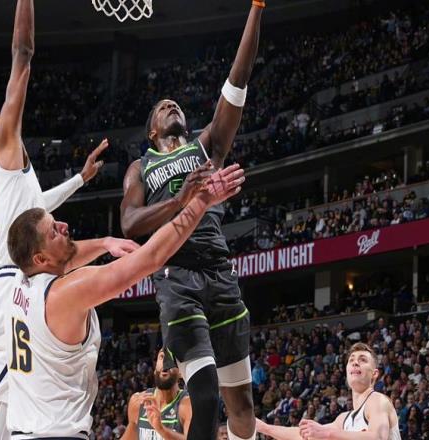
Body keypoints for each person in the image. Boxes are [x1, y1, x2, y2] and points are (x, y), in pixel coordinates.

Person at [5, 164, 244, 438]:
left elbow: (66, 256)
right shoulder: (63, 294)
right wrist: (201, 202)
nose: (64, 226)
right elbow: (151, 257)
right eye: (54, 232)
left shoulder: (20, 280)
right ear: (40, 259)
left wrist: (105, 242)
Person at [0, 1, 107, 438]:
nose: (3, 115)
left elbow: (36, 204)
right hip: (13, 285)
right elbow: (22, 56)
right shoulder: (2, 150)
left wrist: (80, 179)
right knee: (8, 413)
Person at [120, 2, 264, 439]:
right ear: (152, 131)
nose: (171, 106)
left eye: (175, 105)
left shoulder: (205, 147)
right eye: (162, 107)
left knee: (242, 408)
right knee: (203, 395)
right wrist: (180, 199)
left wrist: (256, 8)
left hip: (219, 273)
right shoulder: (141, 166)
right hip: (177, 278)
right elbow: (130, 223)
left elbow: (237, 82)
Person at [257, 342, 401, 440]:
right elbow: (302, 435)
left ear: (374, 374)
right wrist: (264, 427)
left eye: (362, 360)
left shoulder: (377, 400)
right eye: (351, 360)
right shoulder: (343, 420)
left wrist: (327, 433)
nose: (355, 362)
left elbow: (378, 437)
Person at [122, 349, 192, 439]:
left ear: (181, 373)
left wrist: (161, 429)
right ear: (155, 369)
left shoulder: (188, 405)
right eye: (162, 357)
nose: (166, 363)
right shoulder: (137, 402)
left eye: (172, 359)